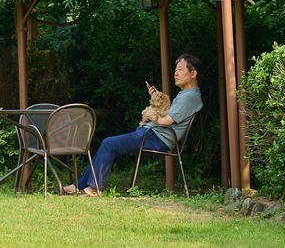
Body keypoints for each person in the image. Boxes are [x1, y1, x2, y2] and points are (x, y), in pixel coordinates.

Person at [62, 53, 203, 196]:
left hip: (156, 138)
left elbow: (165, 121)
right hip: (151, 134)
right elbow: (166, 115)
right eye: (175, 70)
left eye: (180, 70)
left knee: (108, 144)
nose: (176, 73)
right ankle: (79, 185)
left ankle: (93, 189)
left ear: (193, 73)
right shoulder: (186, 95)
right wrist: (155, 99)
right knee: (111, 146)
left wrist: (149, 114)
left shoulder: (189, 97)